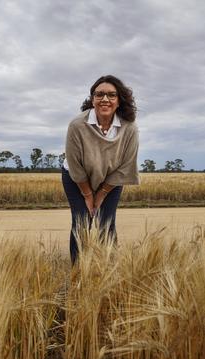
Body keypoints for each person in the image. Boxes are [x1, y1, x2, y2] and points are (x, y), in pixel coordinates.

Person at [62, 75, 140, 264]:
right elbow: (74, 164)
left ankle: (109, 269)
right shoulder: (77, 125)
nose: (105, 99)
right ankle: (77, 271)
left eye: (111, 95)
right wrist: (88, 195)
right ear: (92, 99)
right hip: (76, 177)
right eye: (99, 95)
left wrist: (102, 193)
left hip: (111, 179)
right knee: (81, 222)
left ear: (119, 100)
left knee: (106, 222)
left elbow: (126, 165)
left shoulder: (129, 128)